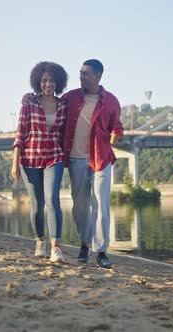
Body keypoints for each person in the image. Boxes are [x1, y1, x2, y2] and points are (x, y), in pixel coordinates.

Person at [62, 59, 124, 269]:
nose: (81, 76)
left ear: (97, 76)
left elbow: (117, 127)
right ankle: (84, 245)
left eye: (85, 74)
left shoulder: (111, 101)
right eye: (80, 73)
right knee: (80, 207)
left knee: (101, 206)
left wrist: (116, 135)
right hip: (76, 159)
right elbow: (50, 108)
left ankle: (101, 251)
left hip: (101, 159)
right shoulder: (70, 98)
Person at [12, 61, 68, 263]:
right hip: (30, 158)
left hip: (54, 155)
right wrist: (15, 162)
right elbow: (21, 132)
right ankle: (39, 241)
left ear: (58, 83)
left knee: (53, 200)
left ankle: (55, 248)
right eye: (44, 80)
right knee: (37, 204)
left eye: (52, 81)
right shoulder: (29, 103)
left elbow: (65, 133)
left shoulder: (63, 104)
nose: (48, 84)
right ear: (38, 82)